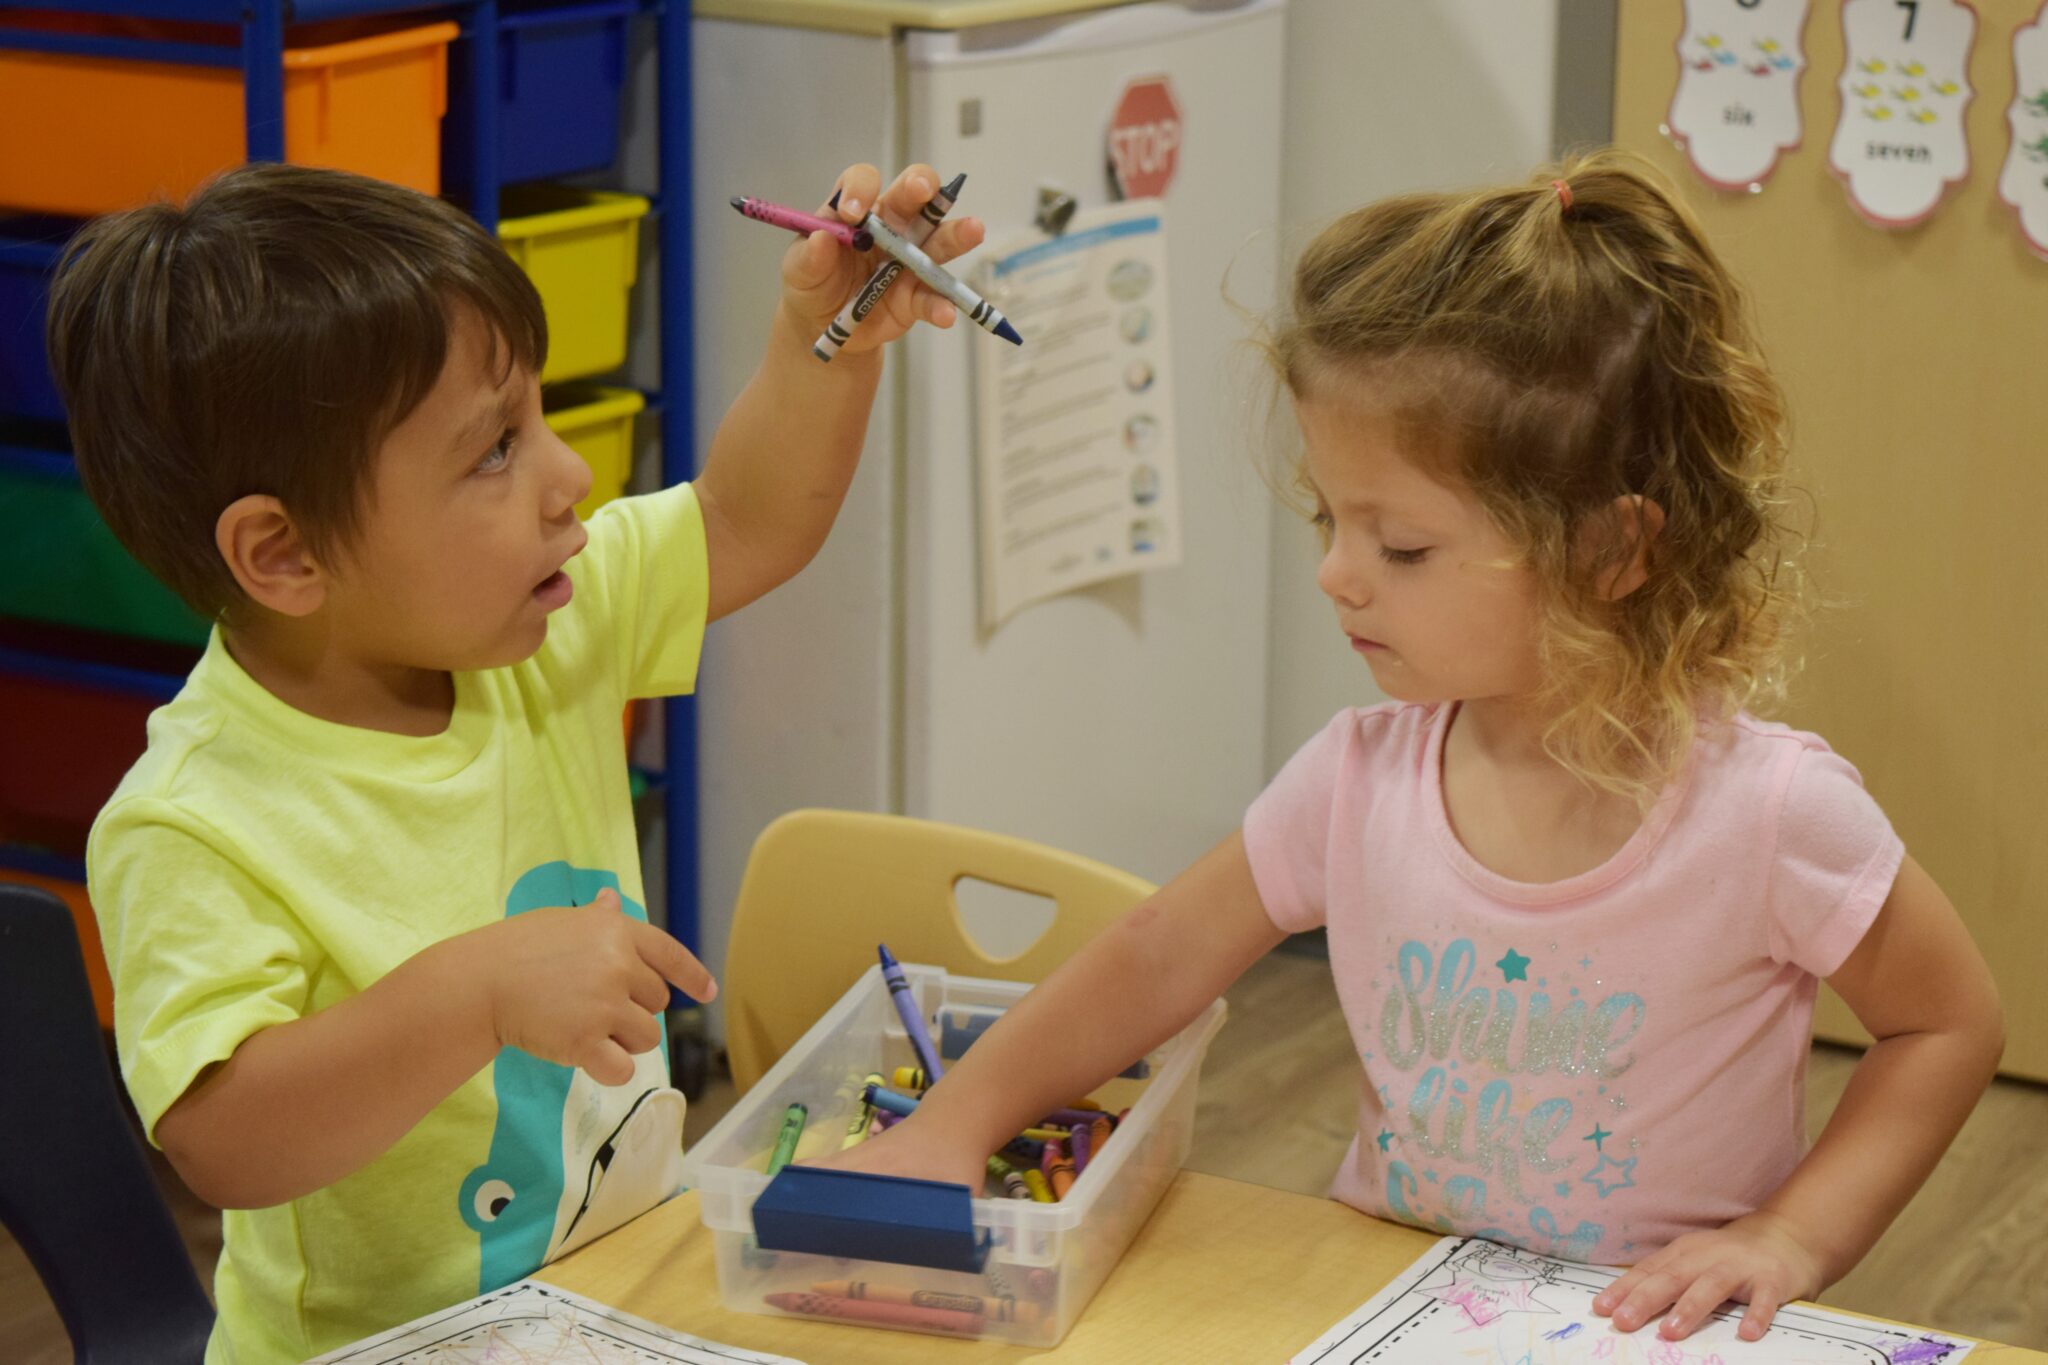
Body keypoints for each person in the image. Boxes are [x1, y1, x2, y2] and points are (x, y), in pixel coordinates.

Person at [825, 150, 2004, 1343]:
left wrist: (1792, 1235)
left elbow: (1944, 1024)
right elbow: (1153, 958)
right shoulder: (1355, 778)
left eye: (1400, 548)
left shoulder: (1769, 812)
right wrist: (951, 1124)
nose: (1336, 575)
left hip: (1651, 1333)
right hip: (1388, 1310)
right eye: (1330, 519)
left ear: (1608, 551)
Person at [48, 158, 978, 1362]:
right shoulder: (193, 817)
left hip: (618, 1304)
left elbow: (748, 518)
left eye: (536, 416)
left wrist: (831, 337)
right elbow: (224, 1140)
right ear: (281, 555)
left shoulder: (541, 618)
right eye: (494, 450)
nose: (569, 476)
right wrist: (474, 995)